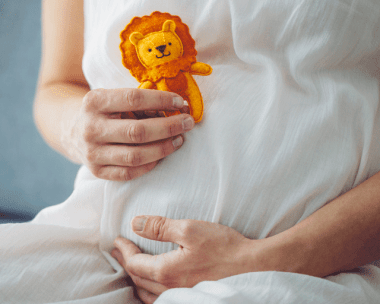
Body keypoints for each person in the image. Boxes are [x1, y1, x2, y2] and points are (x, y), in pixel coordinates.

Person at [1, 0, 380, 303]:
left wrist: (267, 260)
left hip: (314, 270)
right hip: (103, 244)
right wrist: (76, 128)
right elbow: (59, 84)